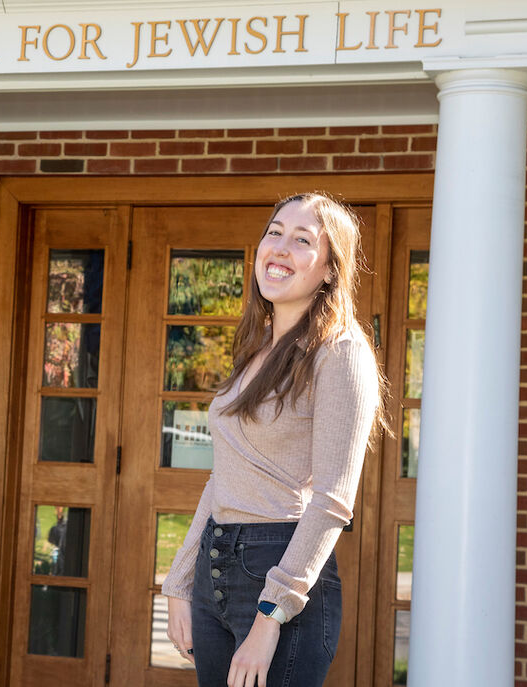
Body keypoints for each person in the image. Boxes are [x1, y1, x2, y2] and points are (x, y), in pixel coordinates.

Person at [162, 193, 385, 687]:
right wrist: (179, 581)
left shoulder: (340, 352)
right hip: (215, 566)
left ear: (330, 269)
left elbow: (332, 500)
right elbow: (226, 475)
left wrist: (270, 616)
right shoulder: (256, 348)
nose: (280, 247)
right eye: (275, 232)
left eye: (303, 240)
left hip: (279, 572)